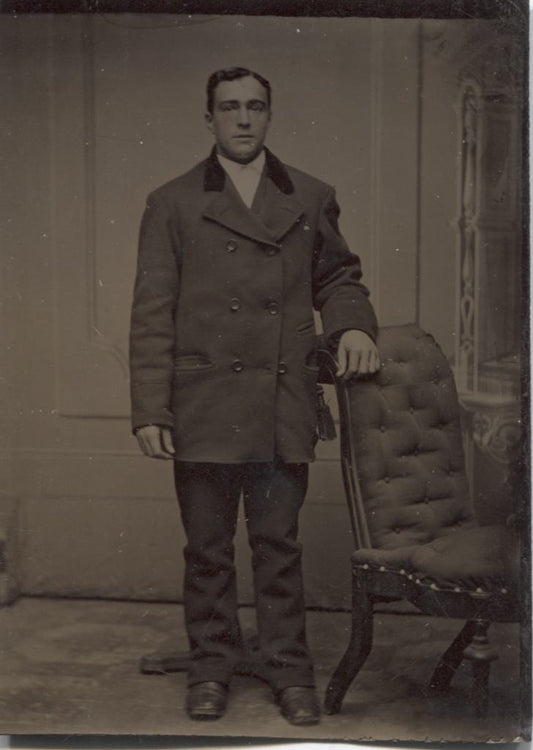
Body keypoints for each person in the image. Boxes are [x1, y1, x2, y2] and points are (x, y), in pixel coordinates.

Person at [129, 67, 379, 726]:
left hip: (280, 402)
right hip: (203, 403)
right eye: (229, 107)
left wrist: (350, 321)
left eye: (255, 107)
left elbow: (341, 275)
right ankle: (210, 666)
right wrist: (151, 409)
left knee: (278, 545)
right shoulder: (172, 201)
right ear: (207, 117)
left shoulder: (309, 194)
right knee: (207, 549)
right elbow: (151, 312)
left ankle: (289, 669)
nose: (242, 119)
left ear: (269, 115)